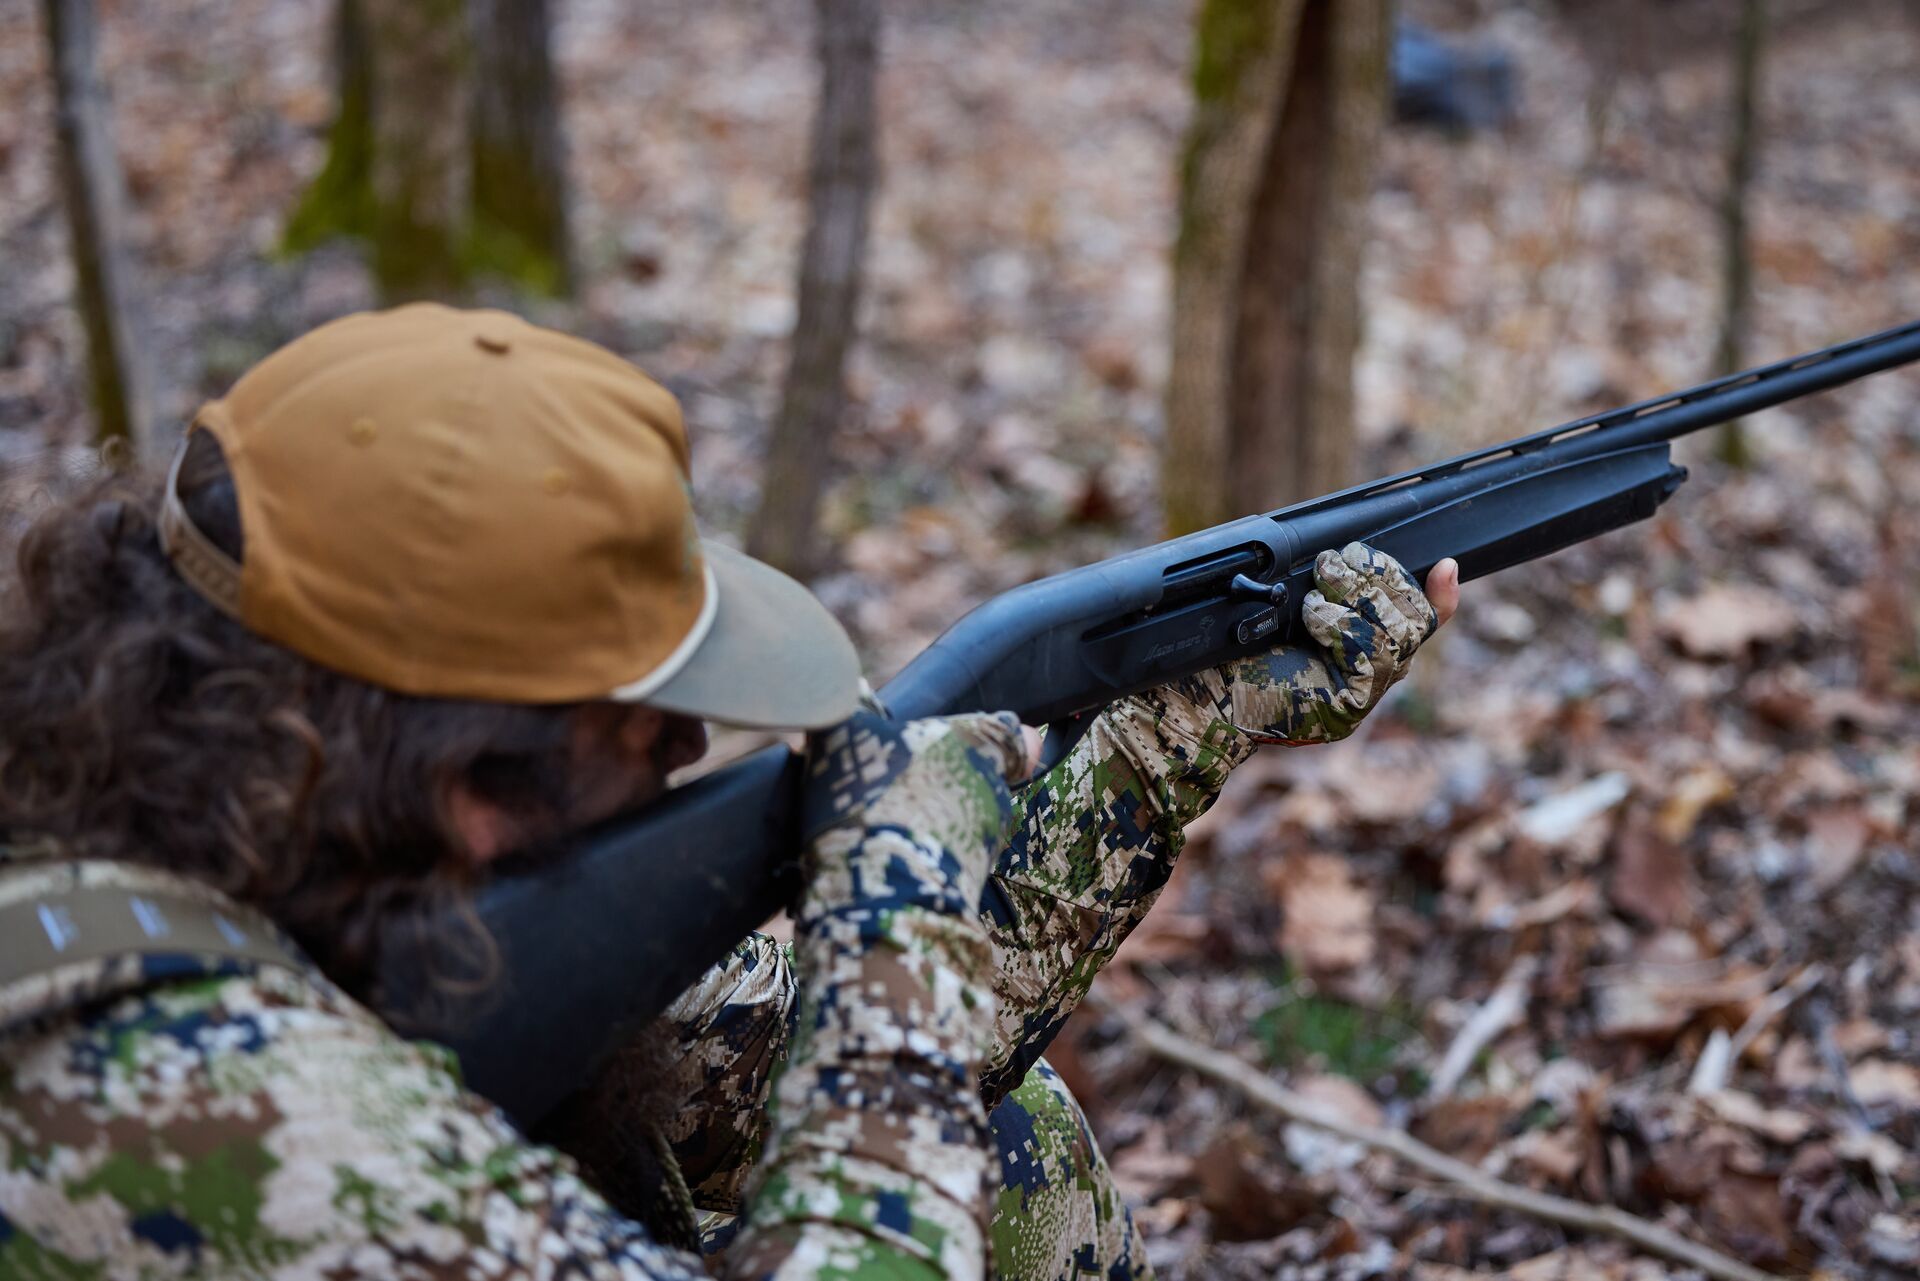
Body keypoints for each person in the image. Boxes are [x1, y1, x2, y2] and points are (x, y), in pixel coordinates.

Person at [0, 305, 1458, 1279]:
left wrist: (1173, 731)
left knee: (1006, 1149)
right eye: (648, 726)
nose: (687, 758)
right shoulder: (210, 1095)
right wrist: (894, 894)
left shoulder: (237, 837)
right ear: (466, 782)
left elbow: (820, 1055)